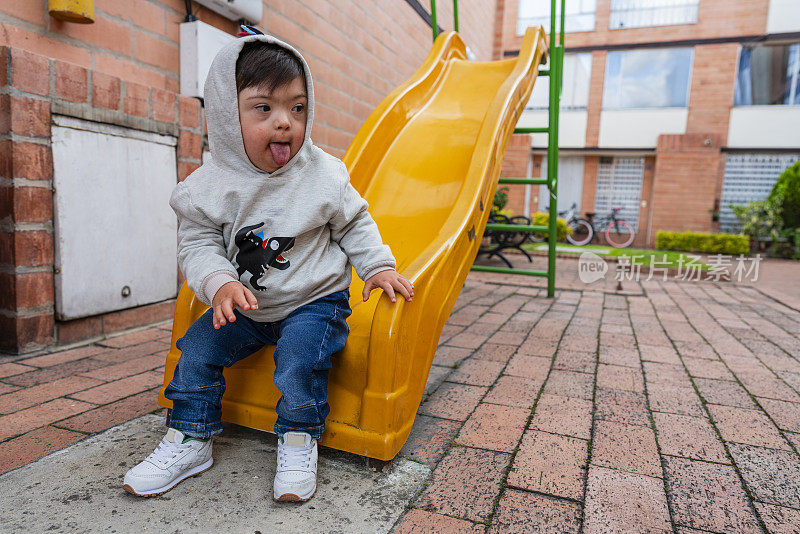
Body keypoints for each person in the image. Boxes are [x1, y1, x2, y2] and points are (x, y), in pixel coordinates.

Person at [123, 33, 412, 502]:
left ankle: (298, 437)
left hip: (313, 302)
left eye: (297, 109)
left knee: (299, 360)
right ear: (225, 113)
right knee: (195, 350)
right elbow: (197, 244)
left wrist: (376, 266)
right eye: (264, 109)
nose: (285, 124)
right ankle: (191, 437)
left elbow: (355, 221)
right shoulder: (208, 186)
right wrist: (219, 283)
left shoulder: (322, 173)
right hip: (248, 306)